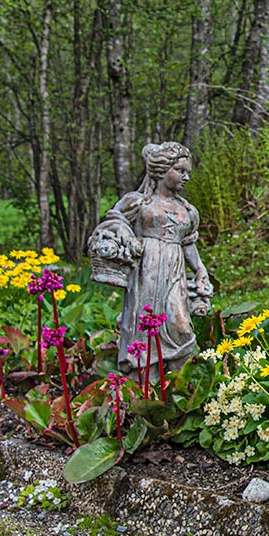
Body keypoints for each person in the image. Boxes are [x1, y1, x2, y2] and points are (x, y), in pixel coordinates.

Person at [88, 142, 213, 378]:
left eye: (188, 172)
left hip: (174, 272)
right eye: (180, 171)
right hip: (147, 271)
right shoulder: (139, 201)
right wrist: (125, 234)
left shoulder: (186, 209)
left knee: (181, 324)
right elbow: (114, 221)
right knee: (143, 324)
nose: (186, 177)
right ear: (162, 170)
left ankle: (181, 381)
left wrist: (199, 268)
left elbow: (188, 243)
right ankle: (145, 382)